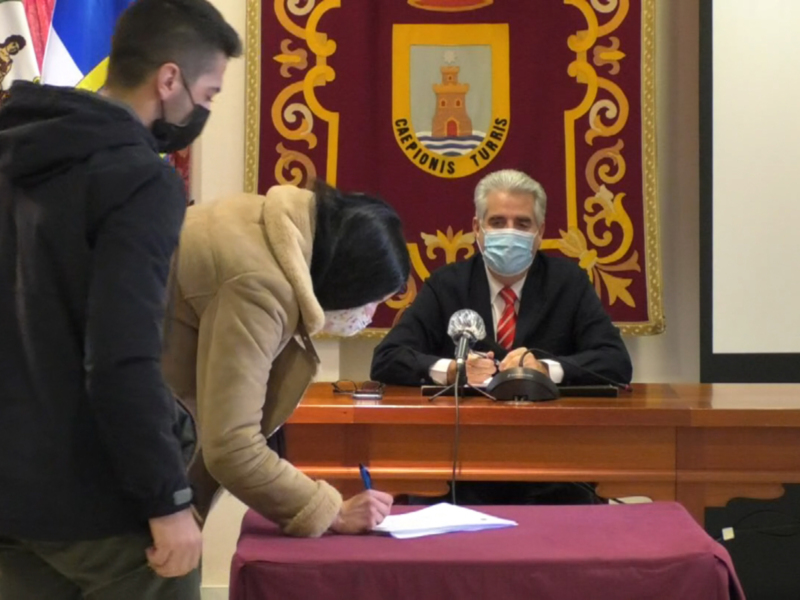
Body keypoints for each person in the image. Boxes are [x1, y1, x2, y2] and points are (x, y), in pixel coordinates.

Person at [0, 1, 241, 598]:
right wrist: (168, 501)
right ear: (169, 79)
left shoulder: (11, 153)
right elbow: (119, 357)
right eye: (208, 92)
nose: (204, 108)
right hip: (100, 506)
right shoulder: (139, 177)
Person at [161, 180, 410, 537]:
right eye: (371, 302)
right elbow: (231, 447)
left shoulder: (258, 221)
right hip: (117, 471)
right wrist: (332, 510)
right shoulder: (261, 284)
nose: (368, 315)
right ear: (348, 280)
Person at [371, 168, 632, 505]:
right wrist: (454, 370)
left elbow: (616, 362)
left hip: (554, 468)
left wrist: (546, 370)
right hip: (461, 472)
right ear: (477, 229)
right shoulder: (447, 284)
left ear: (540, 233)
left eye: (522, 224)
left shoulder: (569, 283)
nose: (510, 232)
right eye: (497, 222)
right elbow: (386, 358)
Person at [0, 34, 27, 105]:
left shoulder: (9, 62)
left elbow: (2, 77)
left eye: (16, 48)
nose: (13, 48)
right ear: (9, 41)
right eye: (14, 44)